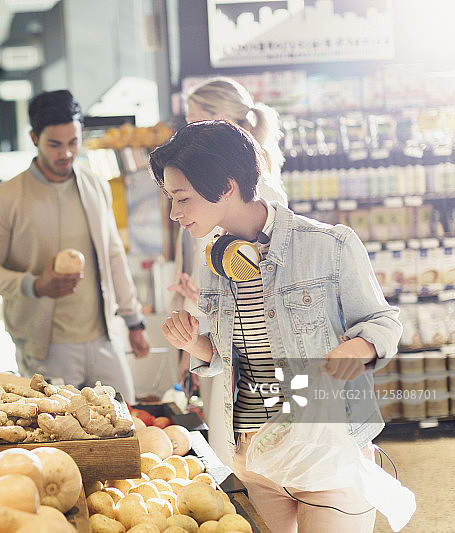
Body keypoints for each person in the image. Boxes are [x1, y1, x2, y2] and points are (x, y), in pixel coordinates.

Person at [150, 120, 401, 533]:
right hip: (254, 455)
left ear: (227, 186)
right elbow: (230, 353)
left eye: (182, 199)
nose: (175, 213)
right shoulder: (213, 259)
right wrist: (194, 344)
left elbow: (384, 322)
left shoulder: (330, 245)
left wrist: (359, 348)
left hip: (327, 450)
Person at [0, 89, 150, 402]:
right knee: (61, 440)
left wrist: (134, 320)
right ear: (33, 138)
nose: (66, 153)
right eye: (54, 144)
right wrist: (34, 285)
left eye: (73, 142)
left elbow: (112, 253)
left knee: (127, 422)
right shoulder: (4, 199)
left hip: (103, 339)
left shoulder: (94, 185)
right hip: (45, 348)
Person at [170, 78, 289, 461]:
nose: (185, 132)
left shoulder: (258, 190)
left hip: (245, 344)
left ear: (219, 121)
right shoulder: (208, 180)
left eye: (193, 121)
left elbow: (265, 283)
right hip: (214, 327)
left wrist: (208, 297)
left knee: (239, 447)